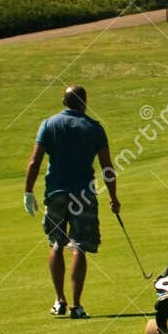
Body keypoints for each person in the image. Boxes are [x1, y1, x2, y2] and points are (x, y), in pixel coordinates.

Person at [24, 85, 119, 319]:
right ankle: (77, 305)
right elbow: (107, 167)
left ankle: (59, 301)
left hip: (55, 192)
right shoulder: (94, 128)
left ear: (64, 102)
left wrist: (28, 191)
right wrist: (114, 196)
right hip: (84, 194)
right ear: (84, 103)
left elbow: (34, 162)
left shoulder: (49, 124)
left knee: (56, 243)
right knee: (79, 247)